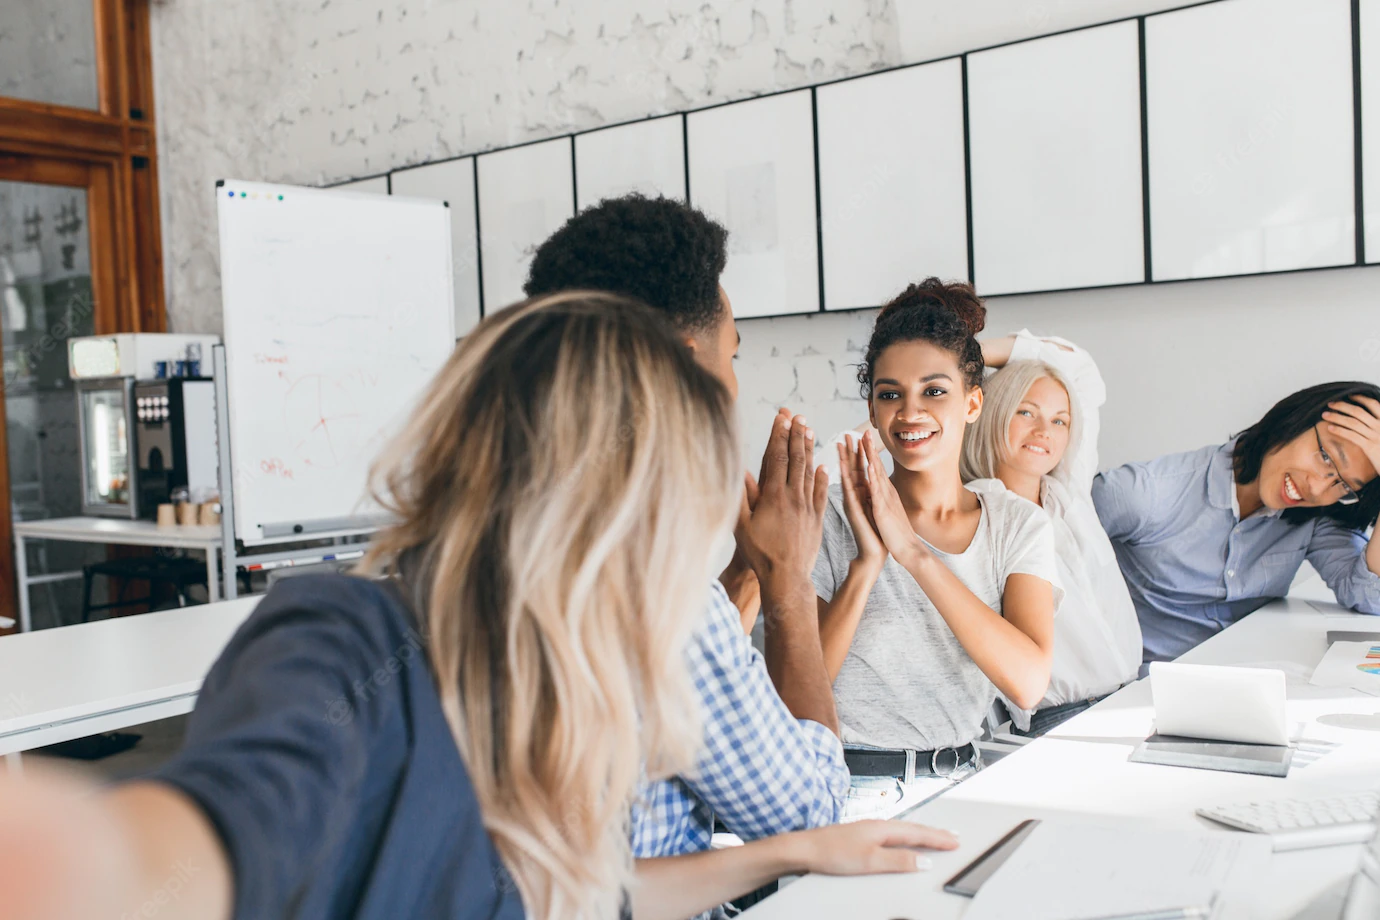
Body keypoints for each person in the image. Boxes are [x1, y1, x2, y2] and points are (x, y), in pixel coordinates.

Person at [0, 294, 958, 920]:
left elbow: (578, 898)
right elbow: (178, 851)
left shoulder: (550, 668)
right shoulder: (347, 639)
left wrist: (797, 853)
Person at [524, 195, 848, 863]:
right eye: (730, 357)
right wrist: (787, 582)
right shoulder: (661, 600)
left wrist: (743, 576)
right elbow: (809, 813)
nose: (732, 385)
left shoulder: (487, 554)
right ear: (679, 361)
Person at [813, 278, 1060, 807]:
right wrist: (867, 564)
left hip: (964, 784)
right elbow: (800, 692)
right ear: (873, 409)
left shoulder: (1016, 525)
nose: (910, 412)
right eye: (889, 394)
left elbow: (1027, 684)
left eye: (934, 391)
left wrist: (914, 555)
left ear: (973, 403)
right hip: (843, 788)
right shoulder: (831, 513)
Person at [1093, 382, 1380, 666]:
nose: (1317, 489)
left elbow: (1369, 598)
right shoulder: (1140, 494)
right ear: (1296, 420)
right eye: (1326, 457)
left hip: (1245, 686)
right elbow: (1053, 578)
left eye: (1342, 484)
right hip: (1132, 694)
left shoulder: (1315, 518)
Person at [960, 330, 1142, 736]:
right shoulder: (978, 512)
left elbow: (1081, 372)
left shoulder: (1070, 494)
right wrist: (949, 371)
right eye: (1026, 412)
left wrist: (966, 354)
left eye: (1059, 420)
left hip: (1135, 696)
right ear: (993, 412)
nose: (1045, 429)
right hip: (1062, 720)